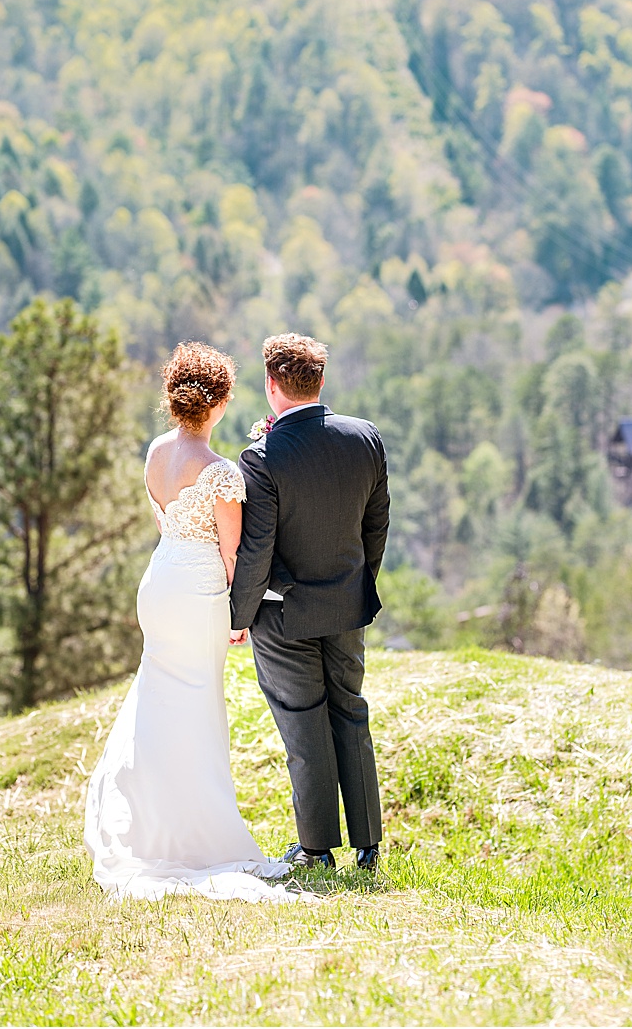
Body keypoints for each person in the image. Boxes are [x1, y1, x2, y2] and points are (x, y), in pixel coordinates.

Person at [83, 342, 295, 901]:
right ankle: (198, 833)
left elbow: (164, 522)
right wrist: (239, 613)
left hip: (158, 583)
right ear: (219, 403)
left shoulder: (155, 453)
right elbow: (232, 555)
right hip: (199, 589)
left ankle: (150, 822)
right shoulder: (222, 474)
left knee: (158, 696)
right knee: (200, 703)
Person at [231, 332, 390, 872]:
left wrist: (238, 615)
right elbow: (377, 524)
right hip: (348, 606)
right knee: (351, 712)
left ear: (273, 386)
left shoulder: (261, 456)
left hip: (285, 613)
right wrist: (358, 579)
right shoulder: (365, 437)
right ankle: (368, 846)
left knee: (304, 724)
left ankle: (317, 849)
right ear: (320, 382)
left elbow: (258, 548)